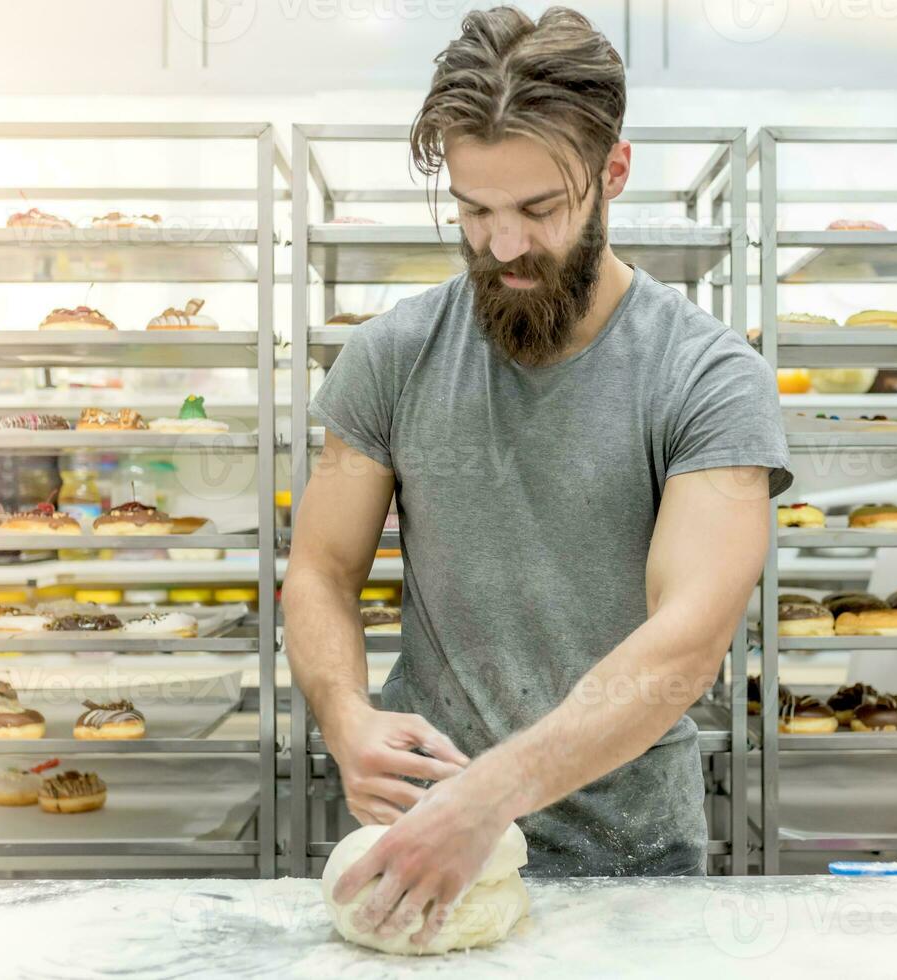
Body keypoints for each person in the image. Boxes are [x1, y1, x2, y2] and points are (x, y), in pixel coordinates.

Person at [282, 5, 790, 946]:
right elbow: (320, 569)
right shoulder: (390, 358)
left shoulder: (709, 377)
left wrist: (492, 795)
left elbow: (688, 643)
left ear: (614, 174)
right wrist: (347, 716)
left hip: (636, 861)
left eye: (539, 210)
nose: (503, 245)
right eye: (475, 211)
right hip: (418, 847)